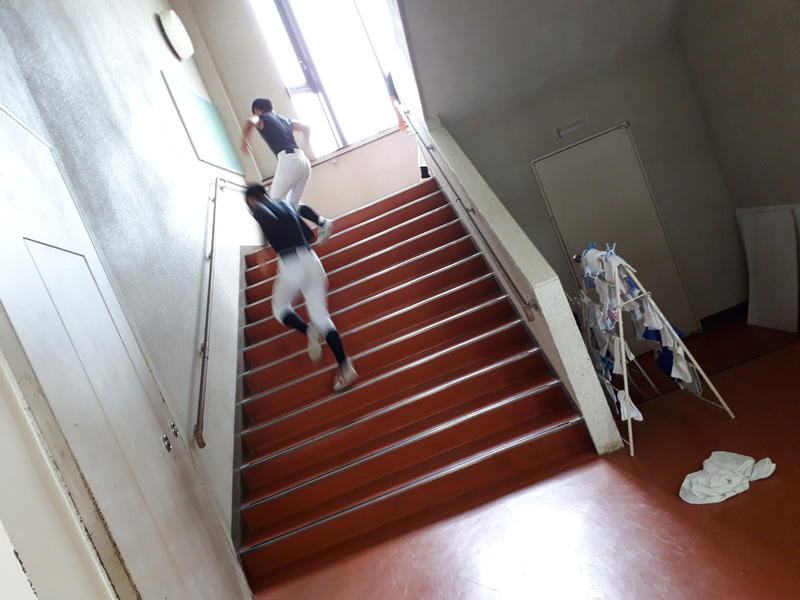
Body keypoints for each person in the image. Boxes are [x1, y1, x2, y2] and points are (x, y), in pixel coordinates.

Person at [245, 184, 357, 391]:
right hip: (312, 261)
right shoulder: (287, 205)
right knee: (321, 317)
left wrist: (263, 247)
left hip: (291, 263)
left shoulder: (260, 209)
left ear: (252, 201)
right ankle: (345, 366)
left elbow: (263, 213)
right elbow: (309, 235)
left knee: (280, 308)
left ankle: (307, 330)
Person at [241, 98, 333, 244]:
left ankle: (303, 237)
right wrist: (307, 145)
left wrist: (244, 141)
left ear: (257, 110)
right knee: (293, 203)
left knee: (275, 202)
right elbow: (307, 127)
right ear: (272, 108)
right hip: (302, 161)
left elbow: (249, 121)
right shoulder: (285, 120)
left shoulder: (262, 117)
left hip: (288, 160)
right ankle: (322, 222)